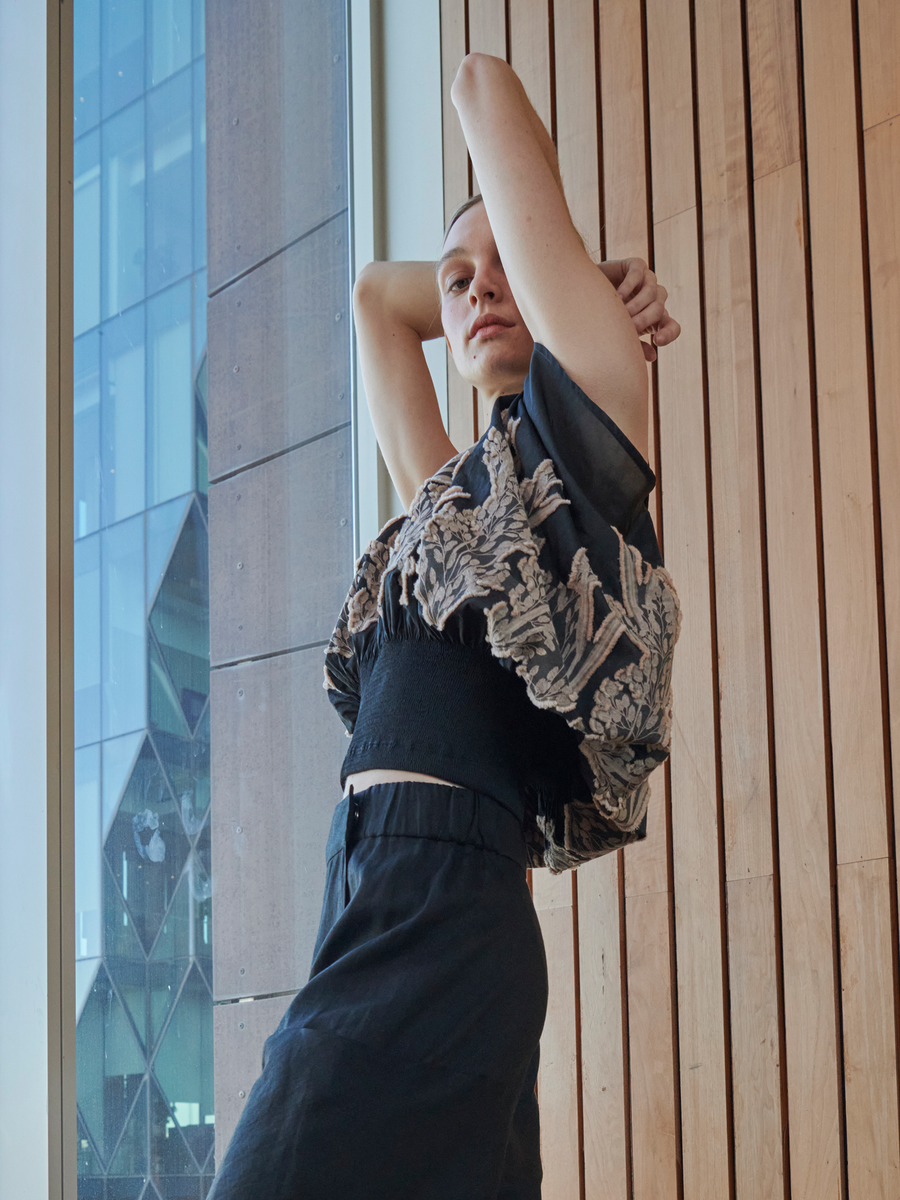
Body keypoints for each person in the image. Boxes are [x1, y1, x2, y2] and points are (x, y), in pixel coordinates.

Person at [208, 53, 681, 1200]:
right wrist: (486, 278)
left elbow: (479, 83)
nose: (471, 292)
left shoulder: (588, 420)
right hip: (372, 885)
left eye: (506, 264)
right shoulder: (459, 509)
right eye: (458, 279)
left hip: (443, 891)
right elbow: (378, 298)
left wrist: (569, 276)